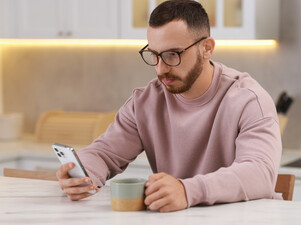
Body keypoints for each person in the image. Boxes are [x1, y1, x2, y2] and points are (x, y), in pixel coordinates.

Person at [56, 0, 282, 213]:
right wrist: (82, 173)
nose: (161, 68)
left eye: (173, 54)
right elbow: (104, 154)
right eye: (154, 55)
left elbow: (259, 173)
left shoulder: (249, 100)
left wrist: (187, 190)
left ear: (207, 48)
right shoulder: (145, 102)